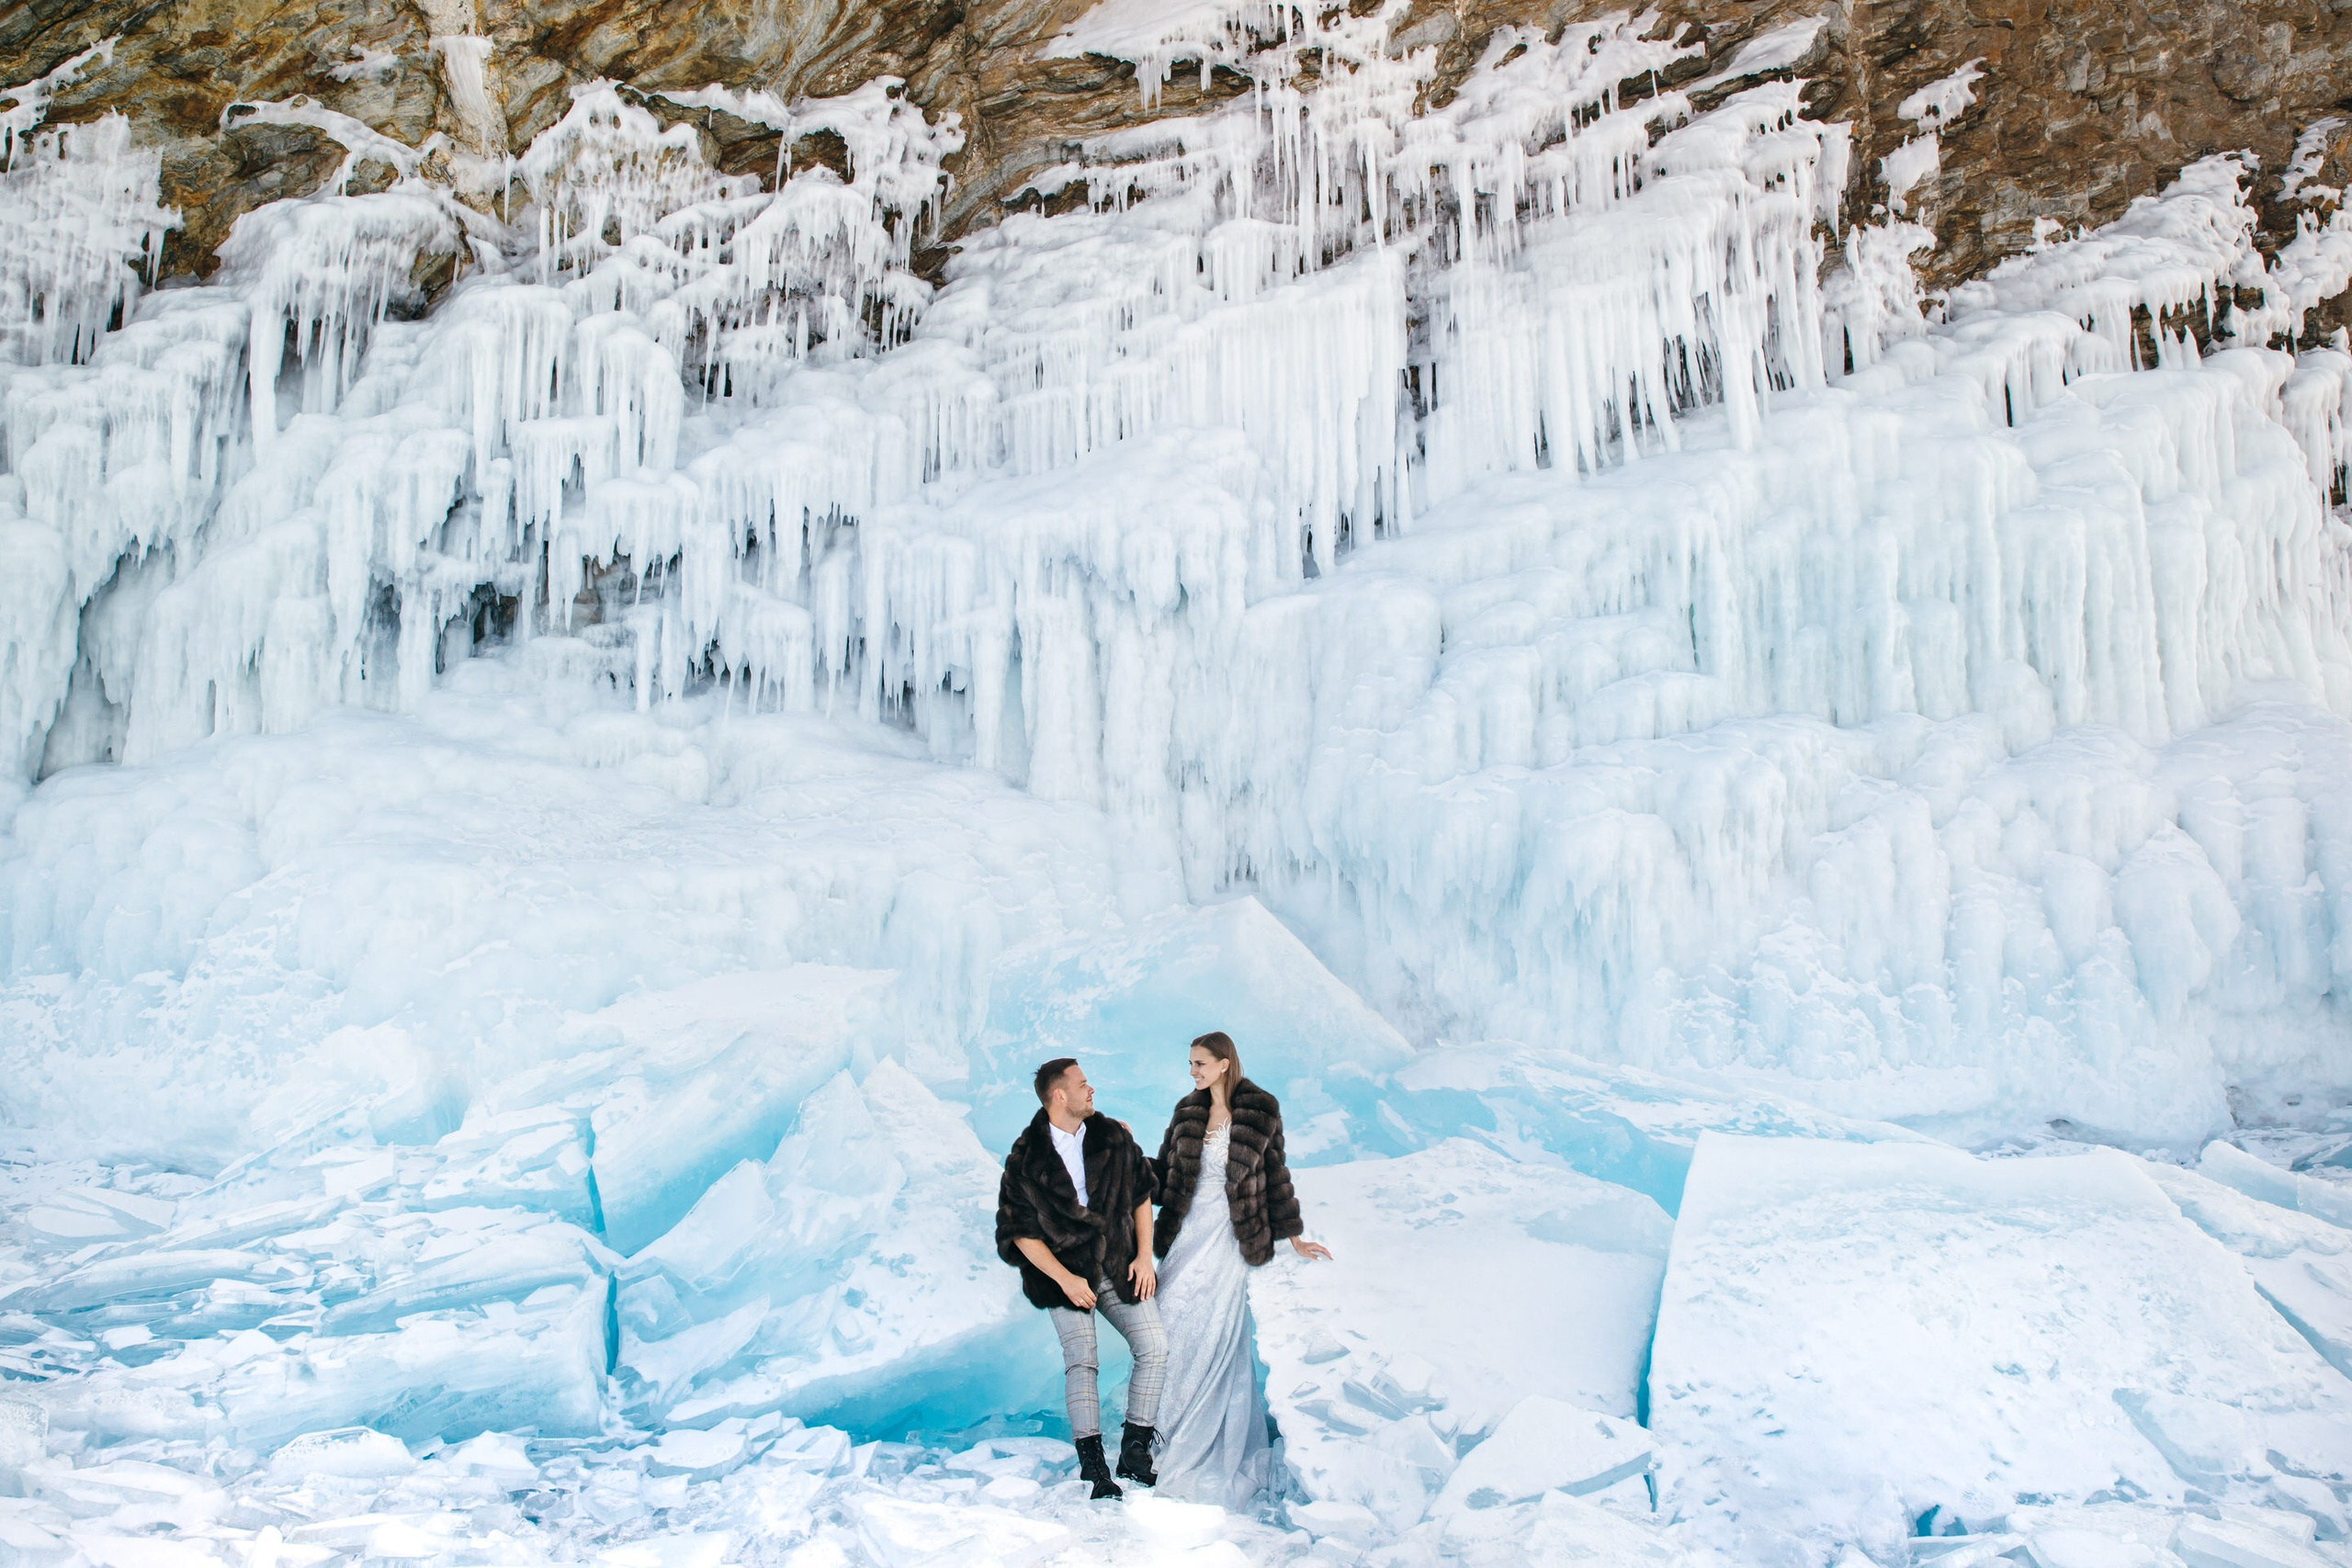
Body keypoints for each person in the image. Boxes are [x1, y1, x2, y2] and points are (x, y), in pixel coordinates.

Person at [1147, 1030, 1332, 1506]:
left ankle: (1200, 1441)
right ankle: (1159, 1437)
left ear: (1224, 1063)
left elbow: (1276, 1176)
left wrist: (1294, 1237)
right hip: (1187, 1233)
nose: (1192, 1072)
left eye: (1200, 1063)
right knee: (1168, 1324)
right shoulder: (1187, 1111)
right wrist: (1127, 1156)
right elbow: (1167, 1174)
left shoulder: (1260, 1109)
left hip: (1230, 1238)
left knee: (1213, 1334)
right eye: (1190, 1064)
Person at [995, 1056, 1167, 1500]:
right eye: (1083, 1084)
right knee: (1083, 1357)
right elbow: (1019, 1233)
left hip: (1117, 1262)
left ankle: (1135, 1451)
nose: (1092, 1091)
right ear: (1059, 1095)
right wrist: (1065, 1279)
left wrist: (1144, 1257)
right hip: (1060, 1273)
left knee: (1154, 1345)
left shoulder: (1112, 1135)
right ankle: (1094, 1467)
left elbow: (1141, 1194)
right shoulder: (1026, 1157)